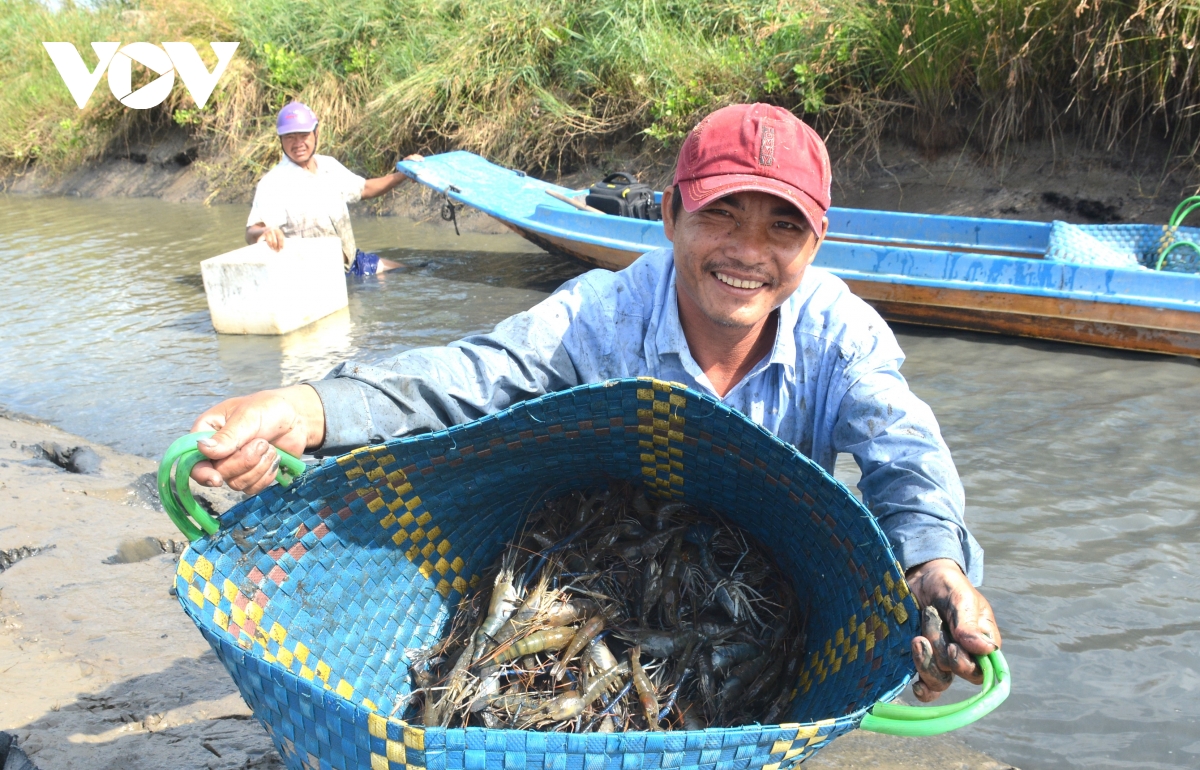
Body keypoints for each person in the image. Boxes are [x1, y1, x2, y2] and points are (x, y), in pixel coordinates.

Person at [193, 103, 1000, 704]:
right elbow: (470, 377)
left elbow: (907, 457)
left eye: (781, 228)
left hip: (766, 588)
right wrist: (307, 407)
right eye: (722, 212)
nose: (748, 252)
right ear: (671, 215)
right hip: (608, 562)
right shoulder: (601, 314)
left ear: (814, 244)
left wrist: (936, 569)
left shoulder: (842, 334)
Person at [245, 101, 423, 277]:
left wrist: (402, 174)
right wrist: (265, 231)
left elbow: (365, 188)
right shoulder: (274, 183)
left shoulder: (328, 166)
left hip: (353, 262)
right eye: (290, 137)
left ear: (316, 133)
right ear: (281, 140)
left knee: (410, 272)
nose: (298, 143)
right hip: (314, 276)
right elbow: (252, 232)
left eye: (303, 135)